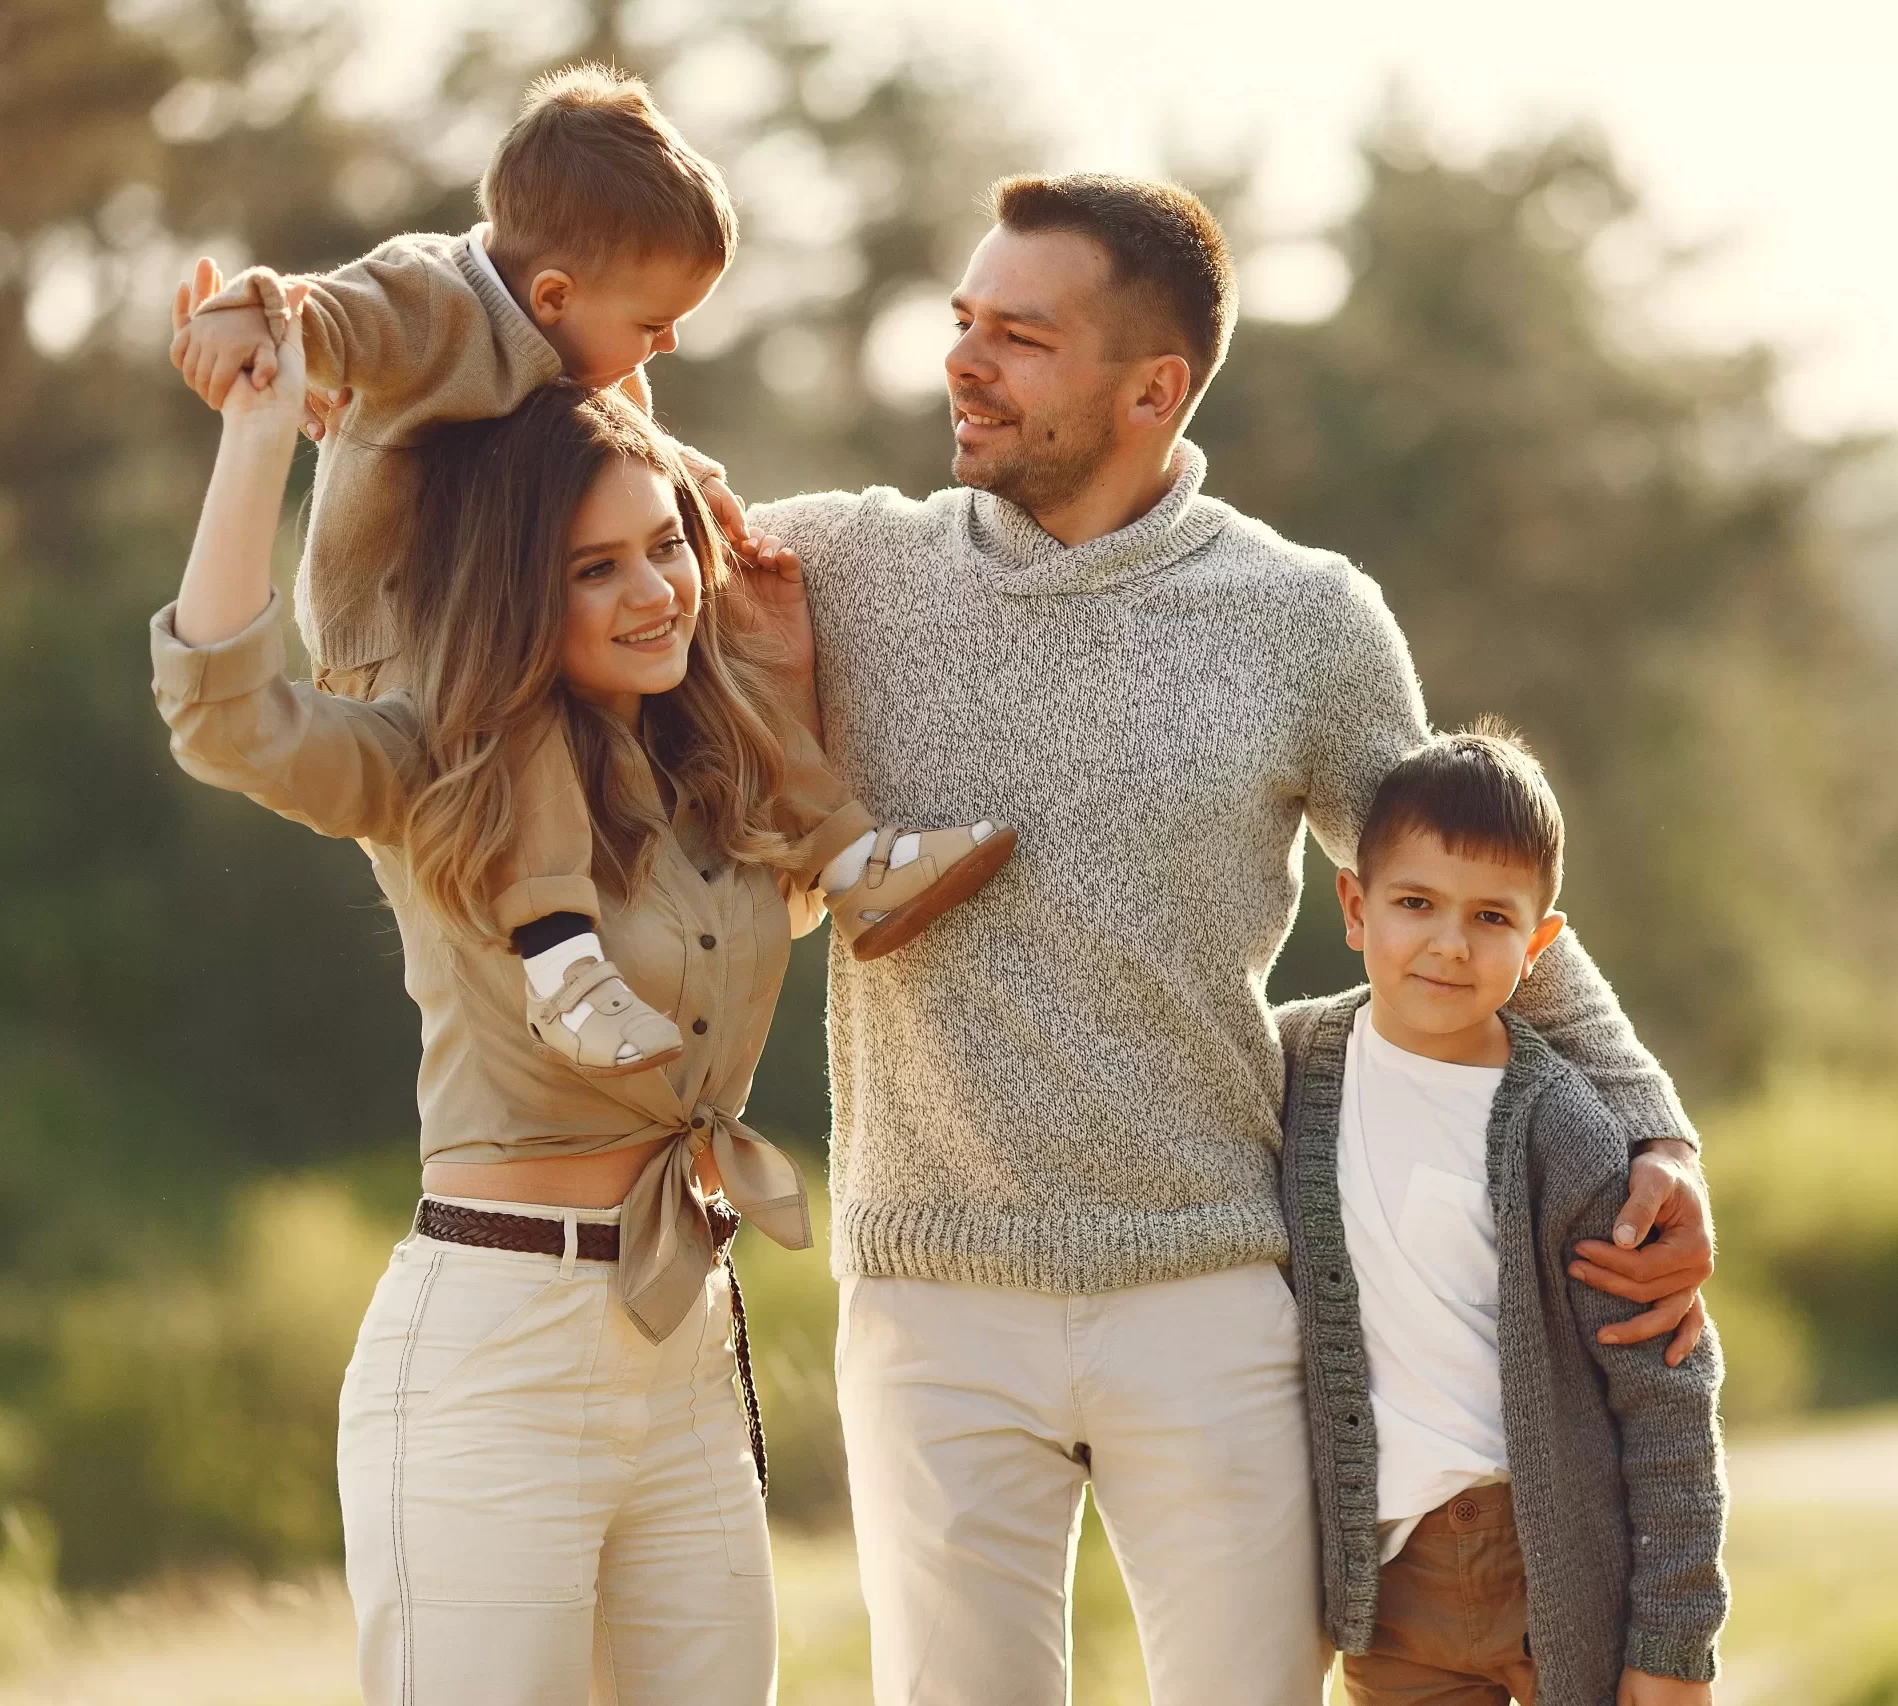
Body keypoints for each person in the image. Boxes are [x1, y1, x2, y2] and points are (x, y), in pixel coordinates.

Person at [742, 174, 1717, 1705]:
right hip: (928, 1297)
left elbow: (1461, 888)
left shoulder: (1303, 620)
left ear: (1151, 387)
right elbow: (591, 514)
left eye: (1018, 334)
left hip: (1207, 1286)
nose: (963, 360)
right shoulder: (839, 569)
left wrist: (1656, 1129)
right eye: (962, 322)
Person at [150, 287, 1005, 1703]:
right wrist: (259, 432)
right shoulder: (438, 764)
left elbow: (817, 879)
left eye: (661, 546)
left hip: (682, 1332)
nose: (653, 588)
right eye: (593, 568)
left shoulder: (713, 770)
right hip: (496, 1352)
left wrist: (777, 655)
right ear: (518, 590)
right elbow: (226, 718)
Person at [169, 61, 1012, 1079]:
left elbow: (620, 448)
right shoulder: (434, 301)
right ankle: (563, 962)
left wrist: (704, 504)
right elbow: (324, 315)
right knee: (521, 707)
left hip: (517, 615)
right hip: (404, 637)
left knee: (718, 647)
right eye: (652, 323)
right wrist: (247, 326)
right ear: (554, 293)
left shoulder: (582, 352)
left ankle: (847, 857)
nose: (666, 344)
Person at [1276, 723, 1726, 1706]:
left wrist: (1671, 1641)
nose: (1446, 941)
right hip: (1388, 1591)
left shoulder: (1561, 1125)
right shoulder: (1288, 1069)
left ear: (1538, 943)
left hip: (1561, 1573)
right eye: (1413, 902)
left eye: (1489, 916)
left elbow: (1664, 1390)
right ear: (1353, 905)